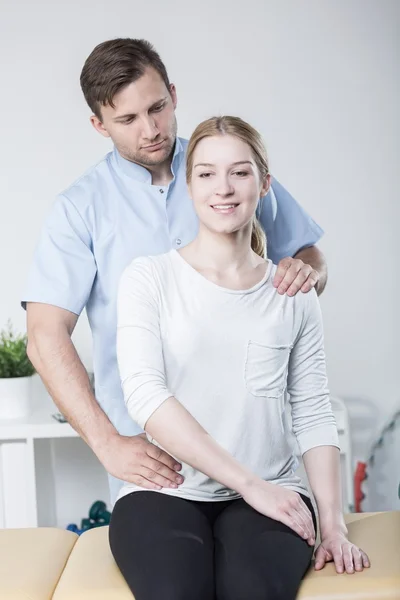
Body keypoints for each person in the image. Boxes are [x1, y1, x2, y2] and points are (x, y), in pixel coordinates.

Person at [23, 38, 327, 505]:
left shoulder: (222, 164)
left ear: (174, 94)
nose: (151, 129)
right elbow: (45, 336)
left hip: (255, 449)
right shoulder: (79, 208)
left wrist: (303, 273)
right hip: (154, 460)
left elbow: (309, 257)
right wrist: (108, 444)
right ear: (98, 125)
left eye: (157, 107)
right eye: (127, 119)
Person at [110, 115, 370, 600]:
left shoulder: (292, 291)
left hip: (275, 489)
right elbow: (145, 395)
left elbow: (313, 411)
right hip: (167, 492)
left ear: (265, 184)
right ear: (189, 185)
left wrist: (334, 523)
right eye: (206, 173)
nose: (223, 188)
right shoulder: (148, 278)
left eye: (240, 172)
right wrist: (249, 484)